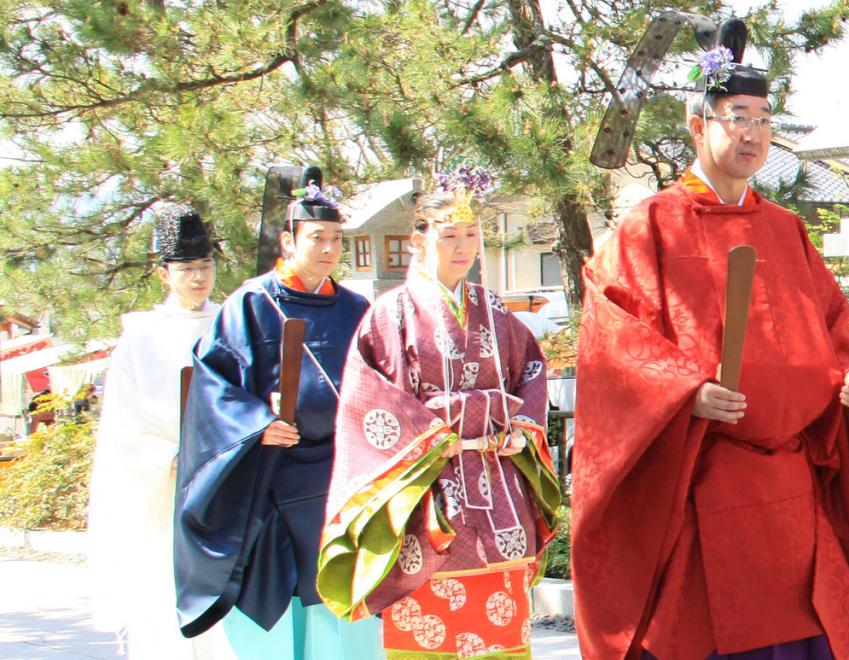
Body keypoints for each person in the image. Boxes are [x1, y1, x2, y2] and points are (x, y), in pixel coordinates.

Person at [571, 22, 849, 660]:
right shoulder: (651, 226)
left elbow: (833, 327)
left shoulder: (785, 228)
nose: (752, 133)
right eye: (736, 116)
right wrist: (684, 391)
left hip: (794, 496)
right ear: (698, 125)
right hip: (706, 482)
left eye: (764, 119)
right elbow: (613, 341)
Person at [316, 170, 561, 659]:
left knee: (504, 635)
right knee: (428, 631)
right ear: (418, 240)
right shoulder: (391, 314)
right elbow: (372, 403)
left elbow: (532, 371)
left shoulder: (494, 310)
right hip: (430, 498)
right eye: (450, 235)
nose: (463, 247)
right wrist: (434, 435)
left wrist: (520, 429)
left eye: (472, 235)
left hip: (499, 493)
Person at [173, 176, 380, 659]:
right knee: (279, 614)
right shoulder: (249, 304)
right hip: (272, 475)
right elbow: (210, 386)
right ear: (288, 240)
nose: (327, 249)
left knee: (344, 607)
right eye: (316, 238)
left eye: (335, 239)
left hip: (341, 479)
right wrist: (255, 423)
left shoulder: (356, 308)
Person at [88, 204, 232, 658]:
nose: (198, 278)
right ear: (163, 274)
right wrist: (167, 458)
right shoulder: (141, 336)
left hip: (225, 479)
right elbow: (122, 423)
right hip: (163, 485)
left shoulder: (231, 322)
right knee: (162, 595)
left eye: (205, 266)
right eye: (187, 268)